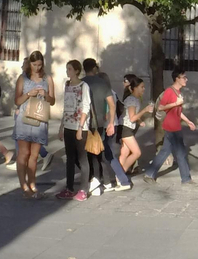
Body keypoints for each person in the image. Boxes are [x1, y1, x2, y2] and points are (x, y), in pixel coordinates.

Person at [81, 59, 130, 193]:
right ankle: (107, 181)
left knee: (104, 155)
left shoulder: (83, 83)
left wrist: (109, 122)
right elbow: (112, 106)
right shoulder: (104, 86)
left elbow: (108, 108)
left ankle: (116, 180)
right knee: (103, 154)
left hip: (95, 124)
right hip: (105, 125)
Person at [142, 69, 196, 184]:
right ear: (177, 78)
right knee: (181, 153)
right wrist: (176, 103)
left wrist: (188, 121)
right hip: (172, 127)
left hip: (175, 125)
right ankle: (186, 179)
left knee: (165, 151)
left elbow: (177, 111)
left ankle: (149, 174)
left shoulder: (178, 93)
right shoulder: (169, 92)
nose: (186, 79)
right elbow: (161, 107)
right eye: (184, 77)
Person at [12, 51, 54, 198]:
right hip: (24, 118)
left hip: (40, 119)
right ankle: (24, 186)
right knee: (23, 154)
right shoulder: (22, 79)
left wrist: (45, 94)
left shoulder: (47, 78)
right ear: (29, 64)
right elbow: (17, 101)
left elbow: (52, 101)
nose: (37, 68)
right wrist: (28, 94)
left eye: (39, 65)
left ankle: (33, 184)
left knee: (34, 156)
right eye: (34, 64)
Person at [56, 59, 92, 200]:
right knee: (70, 158)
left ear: (77, 70)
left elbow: (86, 106)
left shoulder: (84, 86)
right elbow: (66, 107)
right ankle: (69, 187)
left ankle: (84, 189)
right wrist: (61, 126)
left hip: (80, 127)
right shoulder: (67, 85)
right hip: (68, 126)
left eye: (69, 69)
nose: (67, 71)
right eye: (66, 69)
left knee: (83, 159)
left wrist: (80, 127)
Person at [119, 74, 150, 173]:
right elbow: (132, 118)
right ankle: (121, 175)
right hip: (126, 128)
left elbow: (131, 115)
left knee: (124, 153)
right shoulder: (132, 99)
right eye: (141, 87)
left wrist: (140, 121)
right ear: (135, 88)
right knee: (136, 153)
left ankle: (119, 176)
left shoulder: (135, 99)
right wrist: (145, 110)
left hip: (127, 127)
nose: (143, 89)